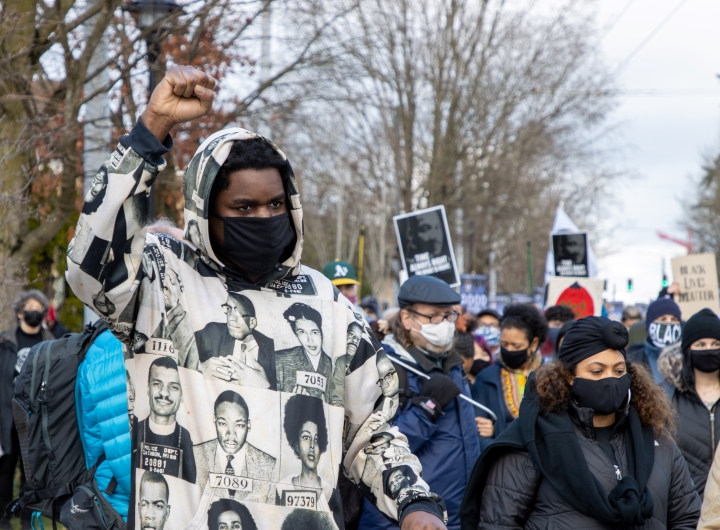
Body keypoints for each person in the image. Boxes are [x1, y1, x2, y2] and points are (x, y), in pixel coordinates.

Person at [66, 65, 445, 529]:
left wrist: (414, 502)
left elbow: (370, 432)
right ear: (207, 213)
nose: (265, 217)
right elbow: (91, 267)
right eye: (244, 208)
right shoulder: (164, 283)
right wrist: (150, 133)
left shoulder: (326, 303)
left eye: (276, 204)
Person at [461, 317, 701, 529]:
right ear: (568, 376)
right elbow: (498, 522)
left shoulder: (657, 438)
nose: (611, 379)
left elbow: (687, 518)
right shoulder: (533, 441)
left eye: (619, 371)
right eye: (597, 372)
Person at [360, 275, 479, 530]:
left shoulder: (454, 366)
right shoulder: (386, 368)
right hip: (406, 517)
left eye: (449, 315)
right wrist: (427, 409)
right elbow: (373, 449)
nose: (444, 323)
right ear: (406, 318)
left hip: (456, 515)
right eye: (433, 316)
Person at [0, 290, 54, 530]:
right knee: (5, 468)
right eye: (29, 307)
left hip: (36, 417)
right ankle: (3, 515)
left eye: (38, 308)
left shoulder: (52, 343)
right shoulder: (5, 343)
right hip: (7, 416)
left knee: (32, 470)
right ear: (20, 312)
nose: (34, 312)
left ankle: (28, 514)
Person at [658, 309, 720, 497]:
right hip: (688, 511)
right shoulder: (667, 397)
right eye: (700, 344)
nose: (709, 349)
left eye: (716, 343)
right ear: (687, 350)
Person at [471, 304, 548, 450]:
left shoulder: (550, 378)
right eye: (504, 344)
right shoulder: (487, 379)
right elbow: (478, 431)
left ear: (534, 343)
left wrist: (498, 430)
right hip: (500, 458)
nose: (509, 350)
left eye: (516, 346)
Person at [194, 391, 276, 503]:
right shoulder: (195, 456)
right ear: (214, 420)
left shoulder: (269, 467)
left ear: (248, 425)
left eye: (239, 425)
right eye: (223, 423)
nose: (231, 434)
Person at [277, 393, 340, 525]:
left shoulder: (331, 493)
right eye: (306, 437)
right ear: (296, 445)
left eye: (316, 440)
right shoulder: (280, 488)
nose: (312, 445)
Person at [195, 292, 276, 389]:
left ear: (252, 322)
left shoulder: (273, 349)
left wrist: (265, 387)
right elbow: (181, 350)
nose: (231, 319)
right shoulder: (213, 332)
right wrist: (200, 366)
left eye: (240, 314)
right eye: (229, 309)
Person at [136, 356, 196, 483]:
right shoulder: (134, 432)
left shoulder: (191, 441)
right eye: (157, 384)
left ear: (182, 395)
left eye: (173, 387)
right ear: (148, 388)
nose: (164, 393)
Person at [275, 302, 334, 403]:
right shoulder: (280, 360)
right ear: (296, 334)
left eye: (314, 332)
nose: (309, 339)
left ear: (322, 332)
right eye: (302, 332)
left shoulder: (330, 362)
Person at [629, 297, 682, 384]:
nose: (668, 323)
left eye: (674, 319)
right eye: (663, 319)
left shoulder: (687, 359)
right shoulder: (633, 361)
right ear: (650, 325)